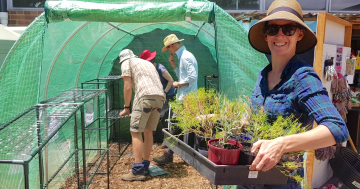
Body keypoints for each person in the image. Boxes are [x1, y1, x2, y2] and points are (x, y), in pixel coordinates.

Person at [241, 0, 349, 188]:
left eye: (288, 29)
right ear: (266, 35)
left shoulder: (302, 77)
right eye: (273, 29)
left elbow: (337, 128)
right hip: (249, 176)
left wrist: (281, 144)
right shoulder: (263, 74)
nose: (280, 35)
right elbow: (256, 119)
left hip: (281, 181)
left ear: (299, 34)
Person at [118, 49, 165, 181]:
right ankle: (145, 165)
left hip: (144, 98)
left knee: (136, 132)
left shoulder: (126, 63)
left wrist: (126, 107)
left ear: (122, 59)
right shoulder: (147, 63)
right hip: (160, 99)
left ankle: (137, 171)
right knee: (148, 131)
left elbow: (127, 87)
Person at [153, 34, 198, 164]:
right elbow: (184, 75)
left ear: (172, 46)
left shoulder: (185, 57)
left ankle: (169, 154)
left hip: (185, 98)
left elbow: (192, 77)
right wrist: (173, 65)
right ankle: (177, 154)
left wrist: (178, 84)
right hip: (188, 96)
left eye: (168, 49)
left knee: (176, 125)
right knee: (183, 126)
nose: (169, 51)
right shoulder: (184, 56)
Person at [139, 49, 176, 142]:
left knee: (164, 117)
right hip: (156, 96)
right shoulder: (147, 71)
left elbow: (171, 80)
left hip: (167, 95)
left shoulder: (160, 68)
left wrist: (165, 93)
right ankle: (151, 140)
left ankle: (167, 140)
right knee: (152, 116)